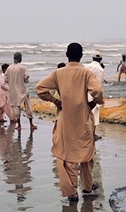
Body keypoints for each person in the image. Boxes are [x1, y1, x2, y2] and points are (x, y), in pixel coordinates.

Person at [35, 42, 104, 202]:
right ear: (81, 56)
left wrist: (55, 100)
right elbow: (98, 91)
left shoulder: (58, 73)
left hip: (65, 120)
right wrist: (94, 102)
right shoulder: (86, 73)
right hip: (84, 119)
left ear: (67, 55)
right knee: (86, 154)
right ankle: (87, 187)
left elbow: (40, 88)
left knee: (67, 156)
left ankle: (72, 192)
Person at [6, 52, 37, 131]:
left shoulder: (9, 68)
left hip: (12, 91)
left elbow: (6, 79)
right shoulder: (22, 68)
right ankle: (31, 124)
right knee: (28, 106)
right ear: (20, 58)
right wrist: (23, 79)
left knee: (16, 108)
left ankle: (19, 125)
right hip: (22, 89)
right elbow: (26, 78)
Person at [84, 51, 107, 140]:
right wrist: (99, 98)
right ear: (100, 59)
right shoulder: (101, 70)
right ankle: (92, 133)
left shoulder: (86, 67)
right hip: (94, 94)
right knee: (94, 114)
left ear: (92, 58)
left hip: (84, 92)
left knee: (84, 114)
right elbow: (98, 85)